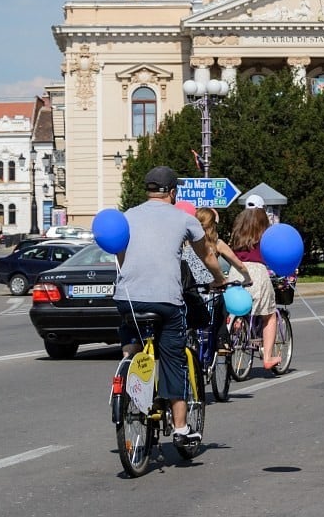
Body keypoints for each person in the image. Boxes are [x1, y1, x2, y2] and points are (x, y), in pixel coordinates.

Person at [114, 166, 226, 448]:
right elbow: (207, 256)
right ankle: (180, 427)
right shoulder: (184, 219)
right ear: (173, 192)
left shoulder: (128, 216)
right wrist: (219, 279)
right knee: (173, 360)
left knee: (133, 338)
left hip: (128, 298)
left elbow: (120, 252)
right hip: (166, 301)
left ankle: (126, 367)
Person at [181, 207, 253, 353]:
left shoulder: (185, 242)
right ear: (213, 224)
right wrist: (247, 278)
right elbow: (238, 264)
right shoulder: (217, 244)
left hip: (189, 290)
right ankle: (221, 340)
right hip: (209, 290)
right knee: (221, 301)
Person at [228, 207, 281, 370]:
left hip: (236, 271)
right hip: (257, 273)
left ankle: (235, 331)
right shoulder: (265, 236)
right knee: (269, 315)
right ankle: (267, 357)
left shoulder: (237, 234)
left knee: (236, 310)